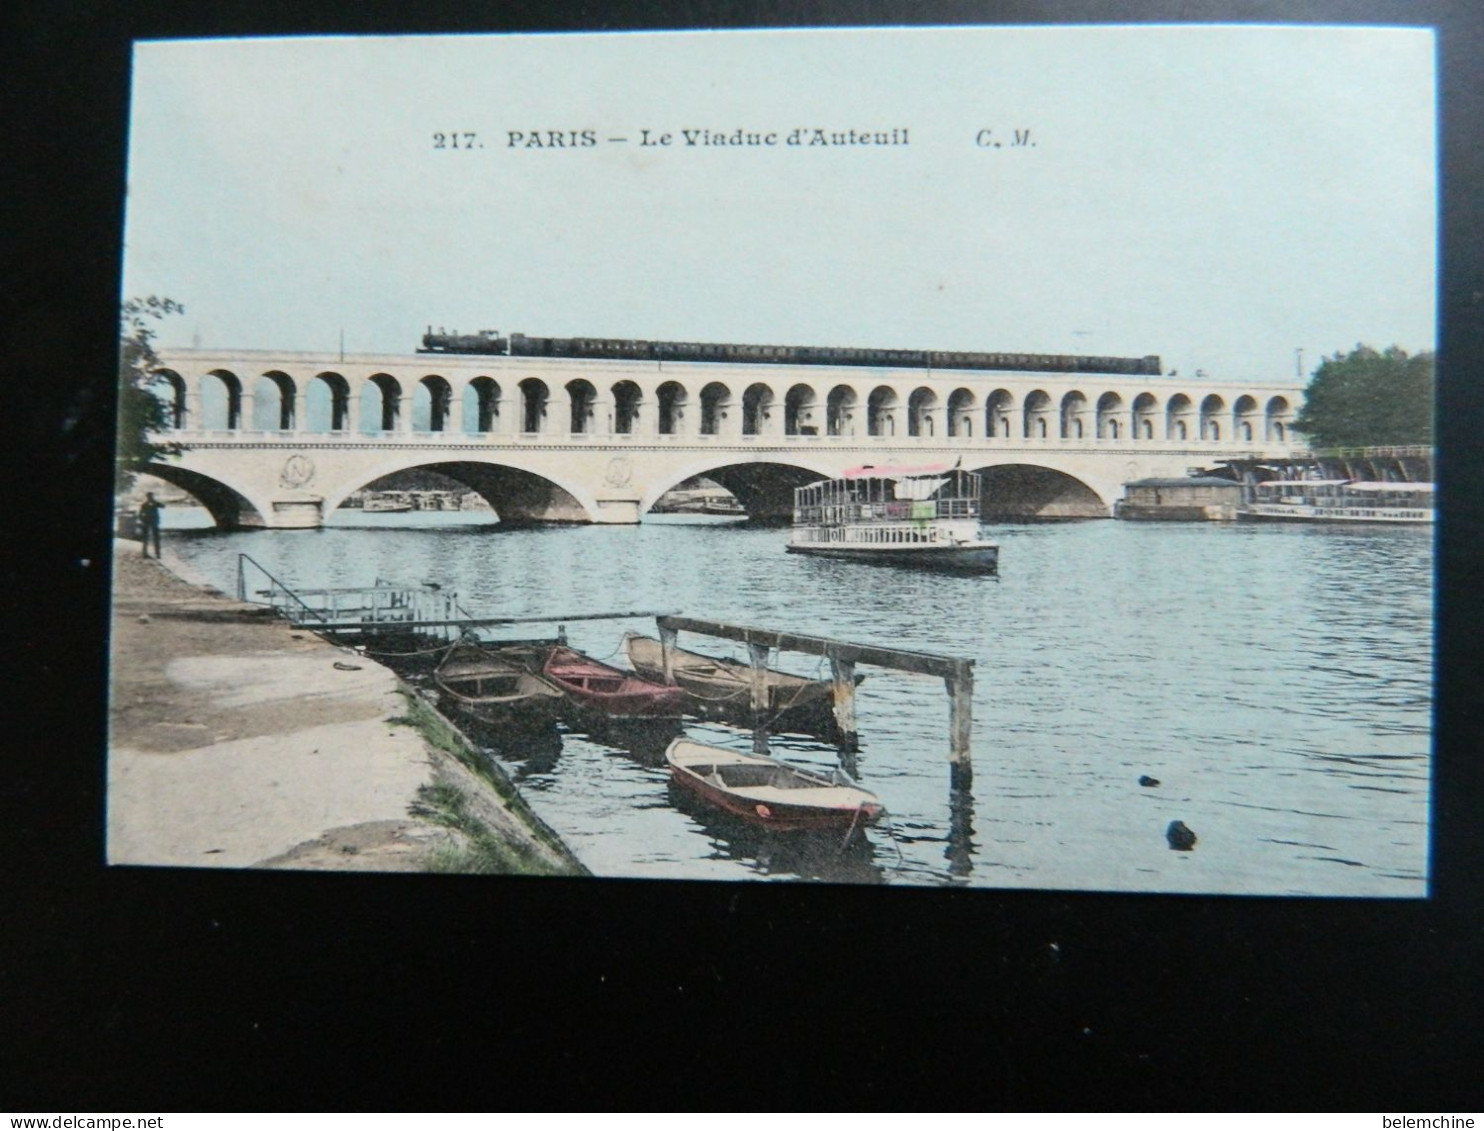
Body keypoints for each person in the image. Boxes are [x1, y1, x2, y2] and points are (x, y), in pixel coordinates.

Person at [138, 492, 163, 558]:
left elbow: (163, 506)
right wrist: (142, 521)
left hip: (153, 522)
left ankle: (157, 553)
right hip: (148, 522)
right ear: (148, 497)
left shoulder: (154, 503)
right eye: (150, 497)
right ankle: (146, 553)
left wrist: (142, 520)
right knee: (149, 538)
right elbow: (140, 514)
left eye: (151, 496)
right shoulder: (144, 505)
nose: (151, 498)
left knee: (155, 538)